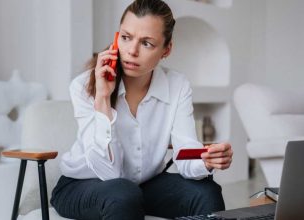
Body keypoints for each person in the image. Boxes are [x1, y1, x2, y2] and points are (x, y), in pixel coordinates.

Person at [50, 0, 233, 219]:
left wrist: (205, 160)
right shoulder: (83, 85)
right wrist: (102, 99)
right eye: (126, 38)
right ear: (118, 38)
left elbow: (185, 153)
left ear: (166, 50)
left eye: (147, 43)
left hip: (141, 186)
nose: (132, 51)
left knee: (206, 191)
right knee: (123, 194)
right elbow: (109, 173)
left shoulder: (177, 86)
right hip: (80, 187)